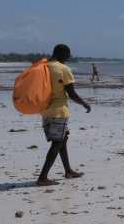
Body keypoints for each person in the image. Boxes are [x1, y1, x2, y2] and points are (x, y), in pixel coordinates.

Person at [38, 44, 91, 186]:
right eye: (68, 55)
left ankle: (68, 171)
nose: (68, 58)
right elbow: (71, 93)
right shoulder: (63, 69)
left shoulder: (43, 67)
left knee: (62, 139)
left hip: (45, 110)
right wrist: (84, 103)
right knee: (57, 143)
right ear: (63, 53)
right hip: (59, 111)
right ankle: (42, 177)